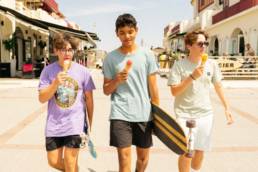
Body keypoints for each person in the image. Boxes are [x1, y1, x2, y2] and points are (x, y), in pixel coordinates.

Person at [167, 30, 233, 172]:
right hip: (184, 114)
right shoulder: (179, 65)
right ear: (189, 46)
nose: (204, 46)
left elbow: (218, 86)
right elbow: (174, 91)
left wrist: (227, 108)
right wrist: (191, 77)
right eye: (200, 43)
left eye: (206, 43)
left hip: (205, 114)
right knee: (186, 150)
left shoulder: (212, 64)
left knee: (197, 159)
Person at [102, 13, 159, 172]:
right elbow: (106, 90)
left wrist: (158, 115)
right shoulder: (110, 58)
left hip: (144, 113)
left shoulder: (147, 55)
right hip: (120, 113)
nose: (127, 36)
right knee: (124, 159)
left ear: (136, 31)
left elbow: (153, 88)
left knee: (142, 159)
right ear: (117, 33)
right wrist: (116, 81)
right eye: (122, 32)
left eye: (130, 31)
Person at [38, 33, 95, 172]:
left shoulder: (83, 72)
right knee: (53, 161)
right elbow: (42, 98)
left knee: (70, 163)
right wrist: (56, 83)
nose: (67, 53)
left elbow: (89, 99)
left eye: (70, 50)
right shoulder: (47, 71)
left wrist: (89, 123)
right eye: (63, 49)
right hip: (54, 124)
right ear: (56, 51)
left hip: (75, 124)